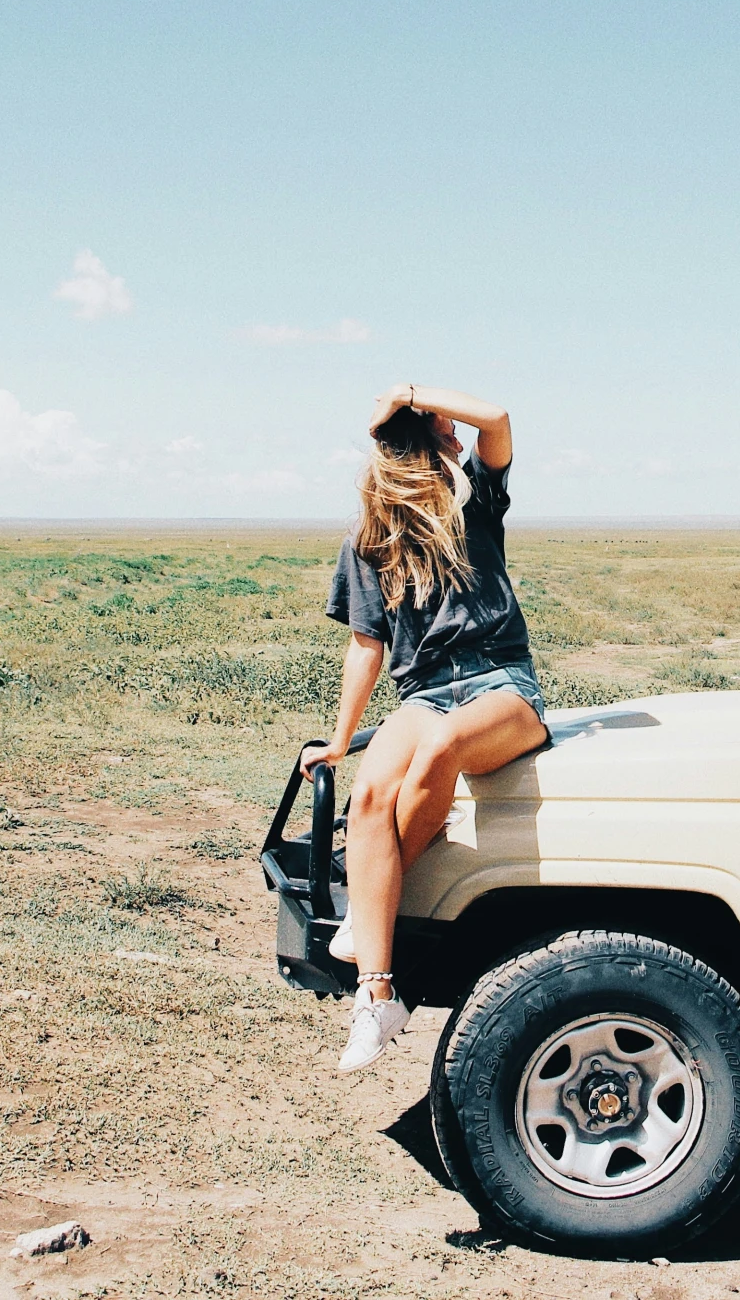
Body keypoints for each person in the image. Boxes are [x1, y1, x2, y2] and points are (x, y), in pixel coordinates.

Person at [308, 383, 549, 1073]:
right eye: (442, 422)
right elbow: (365, 646)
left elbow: (498, 418)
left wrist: (414, 391)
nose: (455, 425)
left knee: (442, 749)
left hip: (501, 681)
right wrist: (337, 735)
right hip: (422, 689)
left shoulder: (476, 499)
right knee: (368, 798)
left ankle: (370, 906)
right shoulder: (369, 540)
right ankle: (376, 996)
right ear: (425, 439)